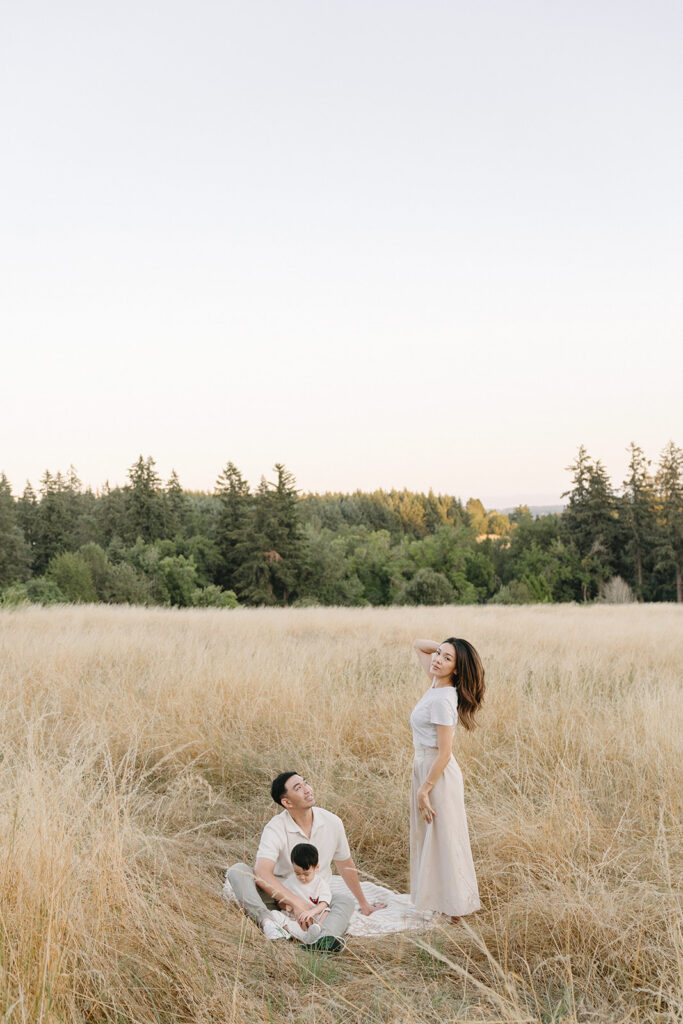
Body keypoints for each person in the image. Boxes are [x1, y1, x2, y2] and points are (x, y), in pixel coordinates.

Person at [226, 772, 386, 952]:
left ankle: (324, 940)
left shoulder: (332, 822)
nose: (308, 790)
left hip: (313, 898)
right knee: (237, 870)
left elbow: (345, 864)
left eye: (305, 783)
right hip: (277, 897)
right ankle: (268, 923)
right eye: (299, 788)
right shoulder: (275, 827)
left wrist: (363, 904)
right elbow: (262, 873)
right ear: (287, 802)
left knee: (345, 902)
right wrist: (296, 904)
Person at [410, 637, 485, 920]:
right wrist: (448, 645)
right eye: (438, 653)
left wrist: (425, 789)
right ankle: (441, 903)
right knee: (434, 836)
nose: (437, 659)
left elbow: (445, 752)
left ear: (457, 669)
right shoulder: (435, 682)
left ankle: (455, 908)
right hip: (424, 767)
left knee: (445, 836)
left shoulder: (443, 698)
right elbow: (418, 645)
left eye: (446, 658)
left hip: (436, 772)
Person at [268, 842, 330, 944]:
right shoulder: (289, 882)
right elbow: (281, 901)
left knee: (327, 911)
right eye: (297, 873)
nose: (302, 877)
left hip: (313, 916)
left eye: (306, 874)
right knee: (274, 914)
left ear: (316, 868)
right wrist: (286, 906)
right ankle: (303, 936)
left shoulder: (320, 884)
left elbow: (324, 903)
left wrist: (312, 912)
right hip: (294, 918)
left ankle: (317, 932)